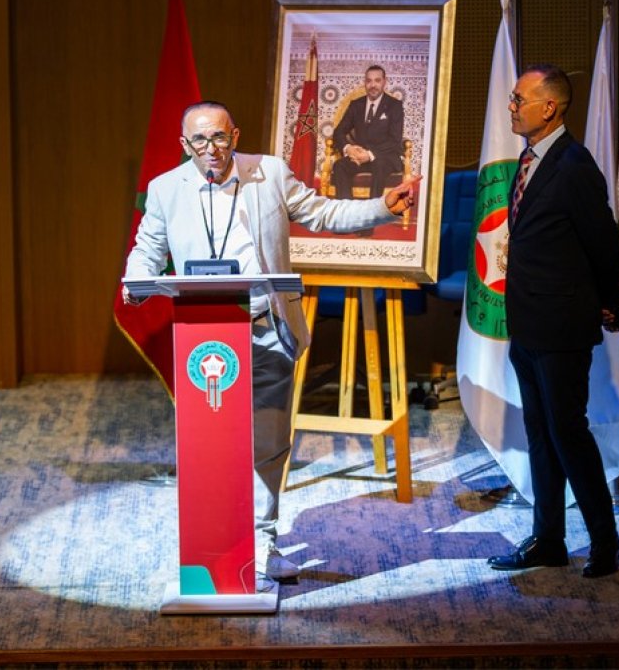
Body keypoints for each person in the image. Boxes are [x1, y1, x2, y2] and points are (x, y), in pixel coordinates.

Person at [122, 100, 414, 586]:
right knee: (210, 445)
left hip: (266, 325)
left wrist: (382, 206)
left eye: (219, 137)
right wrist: (136, 282)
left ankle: (263, 542)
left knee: (269, 443)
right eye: (200, 140)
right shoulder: (165, 188)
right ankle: (213, 545)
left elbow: (323, 212)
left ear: (235, 136)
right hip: (204, 338)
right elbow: (148, 247)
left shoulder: (270, 173)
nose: (211, 148)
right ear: (184, 145)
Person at [487, 65, 619, 579]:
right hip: (527, 324)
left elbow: (604, 243)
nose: (511, 107)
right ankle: (549, 539)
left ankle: (605, 542)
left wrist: (608, 301)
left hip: (562, 328)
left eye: (519, 99)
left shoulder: (573, 165)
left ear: (549, 107)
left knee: (568, 433)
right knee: (541, 435)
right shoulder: (530, 159)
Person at [331, 65, 404, 199]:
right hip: (360, 158)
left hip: (385, 158)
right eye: (369, 81)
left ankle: (372, 210)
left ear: (384, 82)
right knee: (339, 165)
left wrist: (370, 154)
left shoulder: (395, 106)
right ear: (365, 83)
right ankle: (347, 208)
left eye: (377, 80)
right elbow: (339, 132)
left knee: (379, 165)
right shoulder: (356, 105)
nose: (373, 85)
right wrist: (349, 148)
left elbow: (395, 140)